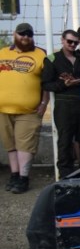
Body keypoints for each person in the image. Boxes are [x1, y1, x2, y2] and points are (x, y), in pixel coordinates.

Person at [1, 23, 51, 194]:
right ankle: (14, 174)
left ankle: (23, 177)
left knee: (25, 145)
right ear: (15, 34)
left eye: (29, 35)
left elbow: (46, 83)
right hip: (3, 109)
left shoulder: (41, 54)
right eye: (22, 34)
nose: (25, 37)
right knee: (10, 145)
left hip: (29, 111)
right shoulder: (2, 53)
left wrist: (44, 103)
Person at [43, 29, 80, 177]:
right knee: (65, 140)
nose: (72, 45)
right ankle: (65, 175)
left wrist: (79, 81)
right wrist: (64, 84)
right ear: (62, 40)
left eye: (75, 42)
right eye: (69, 41)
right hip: (63, 104)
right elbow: (46, 84)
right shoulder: (52, 59)